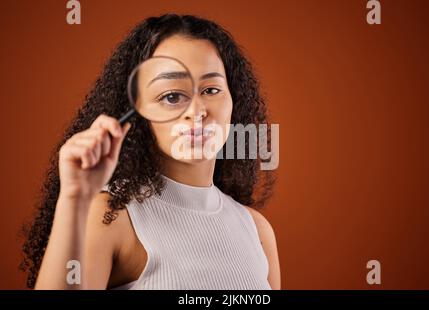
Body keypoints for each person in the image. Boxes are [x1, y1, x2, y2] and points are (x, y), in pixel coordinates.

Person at [21, 14, 280, 290]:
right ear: (139, 113)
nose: (197, 111)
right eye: (171, 96)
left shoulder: (257, 230)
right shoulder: (111, 216)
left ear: (234, 99)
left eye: (211, 89)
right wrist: (74, 199)